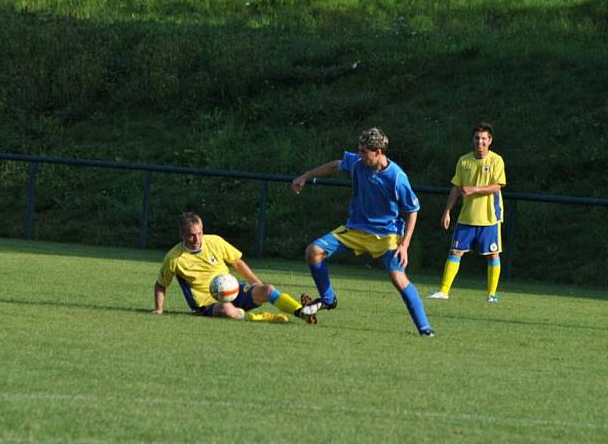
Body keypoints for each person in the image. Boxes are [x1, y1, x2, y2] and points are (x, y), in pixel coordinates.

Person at [291, 127, 435, 337]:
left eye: (364, 151)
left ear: (378, 152)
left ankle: (425, 329)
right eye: (358, 150)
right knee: (313, 251)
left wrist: (404, 245)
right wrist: (306, 176)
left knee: (397, 277)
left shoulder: (396, 177)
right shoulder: (358, 163)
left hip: (387, 235)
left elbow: (412, 211)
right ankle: (328, 299)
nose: (359, 155)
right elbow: (334, 165)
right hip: (355, 230)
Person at [153, 212, 321, 323]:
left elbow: (237, 263)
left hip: (233, 290)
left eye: (199, 233)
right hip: (207, 304)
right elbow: (161, 285)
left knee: (268, 289)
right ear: (182, 234)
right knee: (227, 309)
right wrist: (159, 309)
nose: (197, 238)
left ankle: (302, 312)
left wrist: (258, 285)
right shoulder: (174, 258)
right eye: (191, 235)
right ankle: (263, 317)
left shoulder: (215, 241)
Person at [429, 122, 506, 302]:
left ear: (490, 141)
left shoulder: (496, 160)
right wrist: (447, 211)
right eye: (477, 138)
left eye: (484, 139)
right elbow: (456, 187)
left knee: (493, 254)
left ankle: (491, 295)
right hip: (467, 216)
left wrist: (474, 189)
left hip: (489, 217)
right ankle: (444, 291)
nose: (480, 142)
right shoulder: (464, 161)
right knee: (455, 251)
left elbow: (497, 186)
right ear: (473, 140)